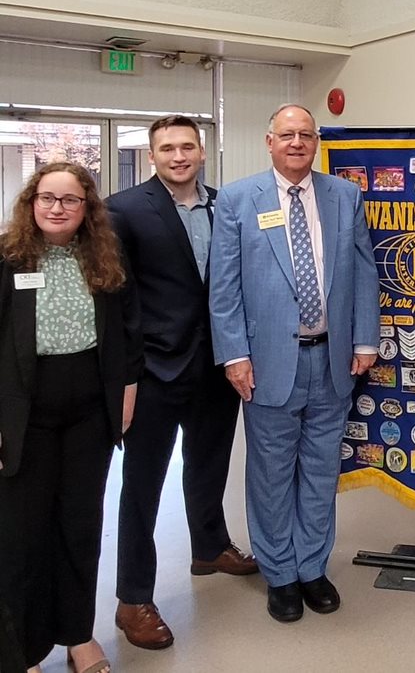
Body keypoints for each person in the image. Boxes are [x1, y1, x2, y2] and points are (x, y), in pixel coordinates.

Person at [209, 104, 380, 623]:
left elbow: (365, 272)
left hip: (331, 359)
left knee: (321, 471)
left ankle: (312, 566)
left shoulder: (344, 196)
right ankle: (279, 572)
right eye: (288, 135)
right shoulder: (239, 198)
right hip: (266, 363)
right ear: (269, 141)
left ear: (317, 141)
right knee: (270, 473)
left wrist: (365, 339)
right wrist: (234, 355)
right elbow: (224, 286)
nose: (298, 143)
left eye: (307, 134)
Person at [107, 115, 257, 651]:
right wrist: (127, 371)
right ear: (152, 156)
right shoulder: (123, 210)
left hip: (217, 364)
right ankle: (132, 598)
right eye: (167, 148)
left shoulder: (228, 204)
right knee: (142, 488)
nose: (178, 155)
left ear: (202, 151)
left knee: (211, 462)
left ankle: (210, 546)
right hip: (153, 370)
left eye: (187, 146)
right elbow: (118, 298)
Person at [0, 162, 143, 673]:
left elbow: (128, 329)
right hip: (23, 413)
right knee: (22, 535)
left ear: (87, 210)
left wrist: (126, 390)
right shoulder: (8, 256)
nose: (56, 208)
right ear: (31, 202)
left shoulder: (103, 256)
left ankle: (79, 636)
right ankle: (24, 649)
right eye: (47, 198)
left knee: (81, 526)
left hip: (90, 411)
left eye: (69, 200)